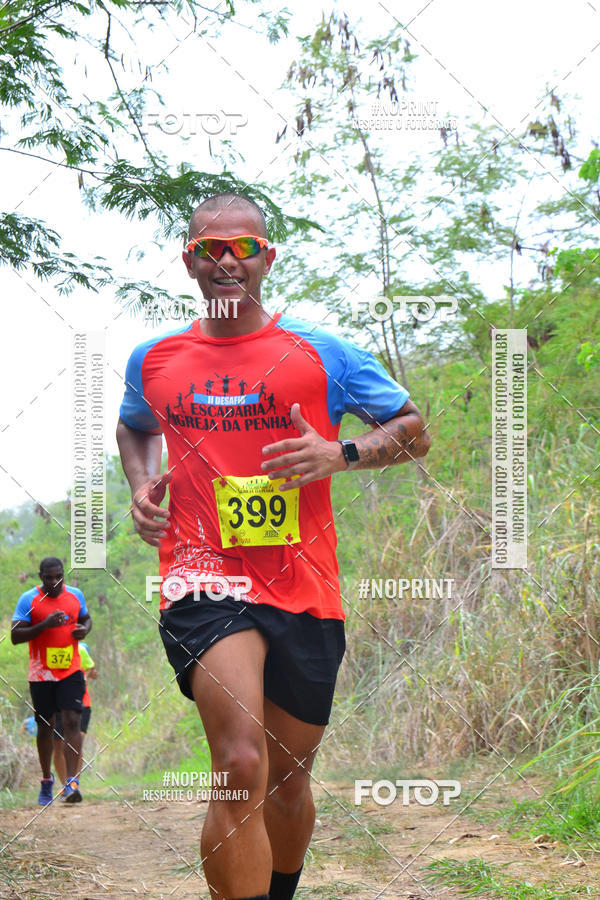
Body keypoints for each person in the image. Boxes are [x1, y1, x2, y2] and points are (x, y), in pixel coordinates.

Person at [116, 192, 431, 900]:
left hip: (304, 585)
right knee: (238, 761)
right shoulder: (156, 359)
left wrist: (340, 452)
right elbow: (133, 425)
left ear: (267, 257)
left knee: (287, 779)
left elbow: (413, 427)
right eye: (210, 248)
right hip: (202, 579)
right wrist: (141, 485)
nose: (227, 260)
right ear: (189, 260)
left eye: (242, 247)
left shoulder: (322, 353)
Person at [11, 557, 92, 804]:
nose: (55, 581)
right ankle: (47, 780)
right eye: (49, 577)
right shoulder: (29, 600)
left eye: (59, 576)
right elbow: (15, 635)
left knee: (72, 720)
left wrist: (84, 630)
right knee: (46, 726)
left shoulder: (75, 595)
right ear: (41, 576)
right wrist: (44, 624)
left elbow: (86, 618)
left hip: (70, 670)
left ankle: (72, 782)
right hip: (41, 673)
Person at [53, 641, 97, 790]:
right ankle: (65, 785)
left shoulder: (81, 648)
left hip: (82, 703)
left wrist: (86, 677)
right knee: (58, 744)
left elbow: (92, 669)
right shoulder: (48, 647)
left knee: (77, 740)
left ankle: (74, 783)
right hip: (56, 704)